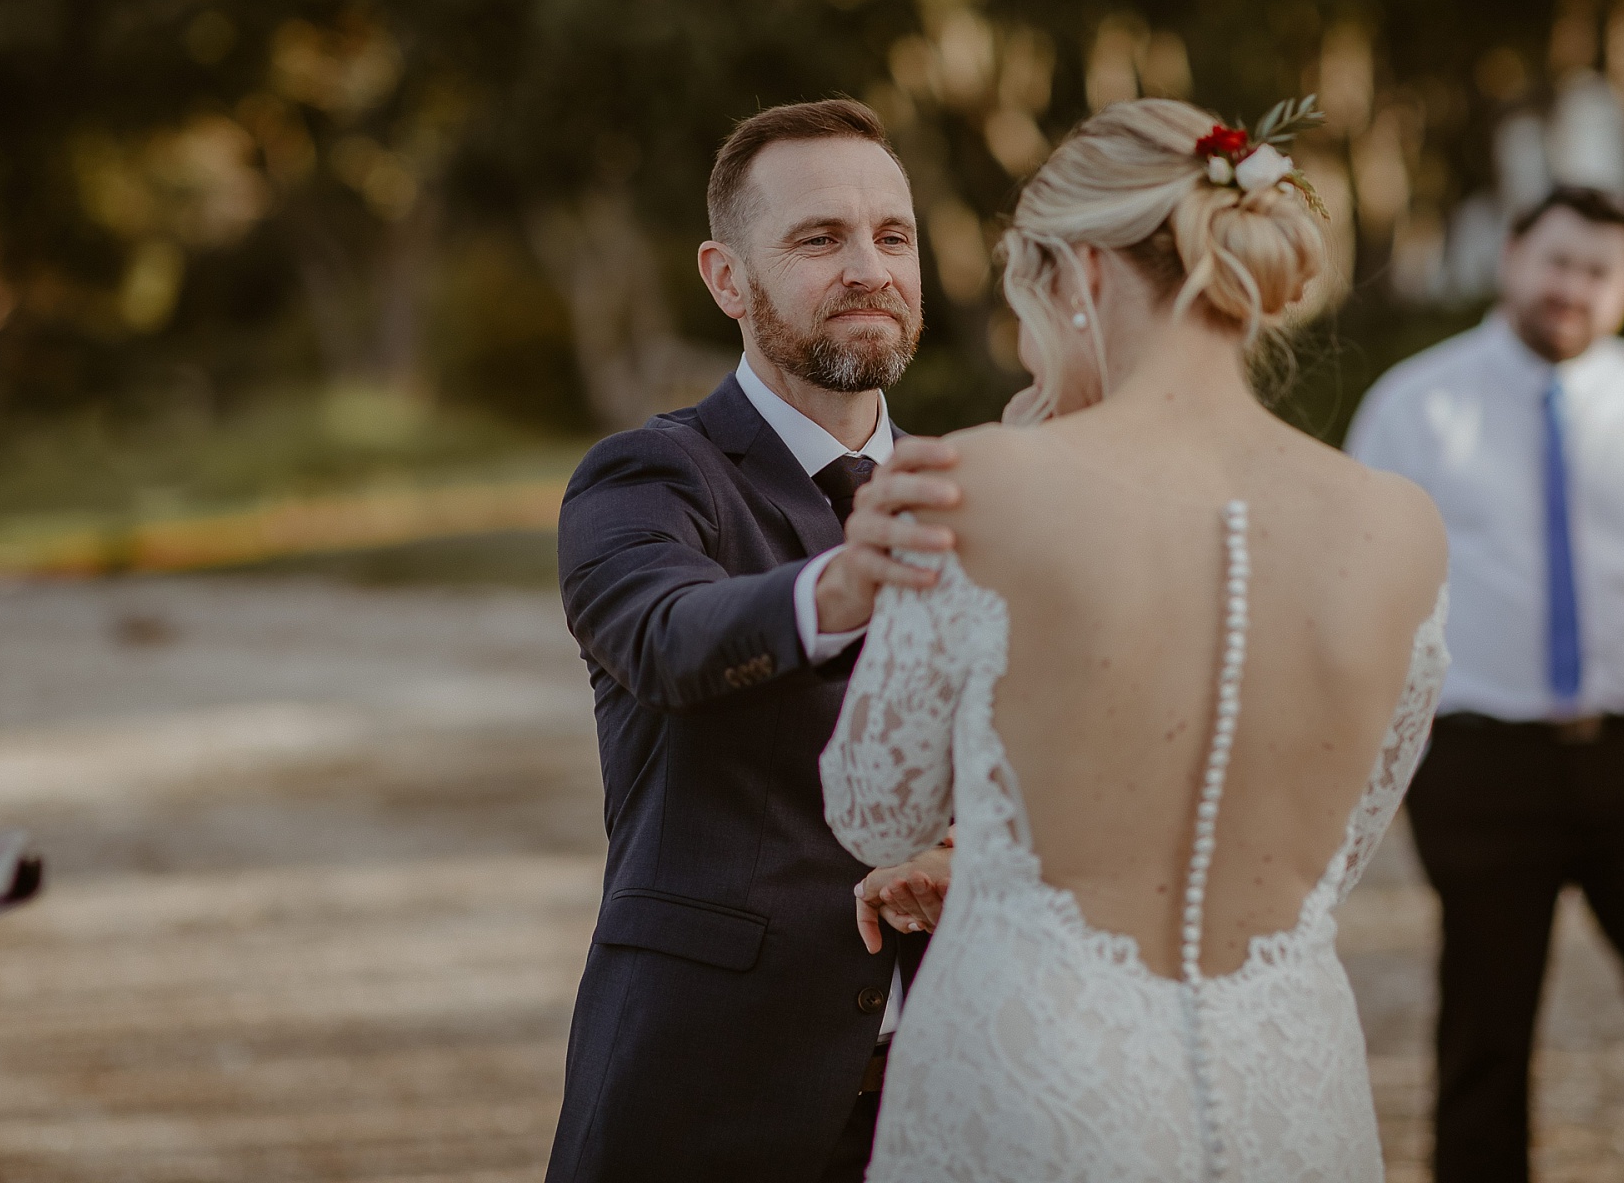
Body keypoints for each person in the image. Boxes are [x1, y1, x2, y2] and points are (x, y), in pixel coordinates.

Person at [820, 97, 1451, 1181]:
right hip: (1290, 1086)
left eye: (1028, 300)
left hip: (1036, 1075)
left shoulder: (981, 480)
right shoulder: (1399, 524)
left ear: (1082, 278)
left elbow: (876, 808)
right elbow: (1334, 852)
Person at [547, 98, 954, 1183]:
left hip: (956, 1096)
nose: (869, 267)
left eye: (894, 236)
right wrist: (847, 582)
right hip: (707, 1097)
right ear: (727, 279)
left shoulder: (976, 489)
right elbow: (669, 636)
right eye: (820, 238)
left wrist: (979, 854)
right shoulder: (648, 476)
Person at [1346, 184, 1624, 1183]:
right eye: (1556, 262)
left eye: (1599, 270)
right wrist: (1403, 754)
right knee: (1486, 1037)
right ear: (1512, 259)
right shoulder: (1417, 404)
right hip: (1482, 763)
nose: (1572, 287)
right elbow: (1361, 586)